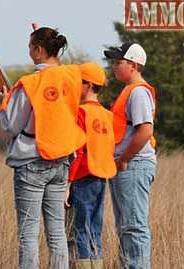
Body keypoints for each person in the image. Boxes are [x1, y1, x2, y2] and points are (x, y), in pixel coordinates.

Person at [0, 27, 85, 269]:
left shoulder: (29, 84)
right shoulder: (72, 78)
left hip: (32, 161)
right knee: (57, 232)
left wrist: (6, 103)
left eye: (30, 47)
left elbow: (12, 126)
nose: (28, 52)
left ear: (38, 50)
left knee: (28, 234)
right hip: (61, 161)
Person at [104, 43, 157, 268]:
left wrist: (124, 158)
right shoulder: (130, 90)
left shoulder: (138, 92)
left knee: (134, 227)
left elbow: (145, 130)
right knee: (126, 227)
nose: (114, 67)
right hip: (128, 165)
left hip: (133, 165)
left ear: (133, 65)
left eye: (118, 62)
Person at [65, 62, 117, 269]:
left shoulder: (81, 113)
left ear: (87, 85)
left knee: (80, 229)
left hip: (82, 176)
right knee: (94, 228)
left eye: (79, 82)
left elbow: (77, 151)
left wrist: (68, 182)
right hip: (101, 177)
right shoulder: (107, 115)